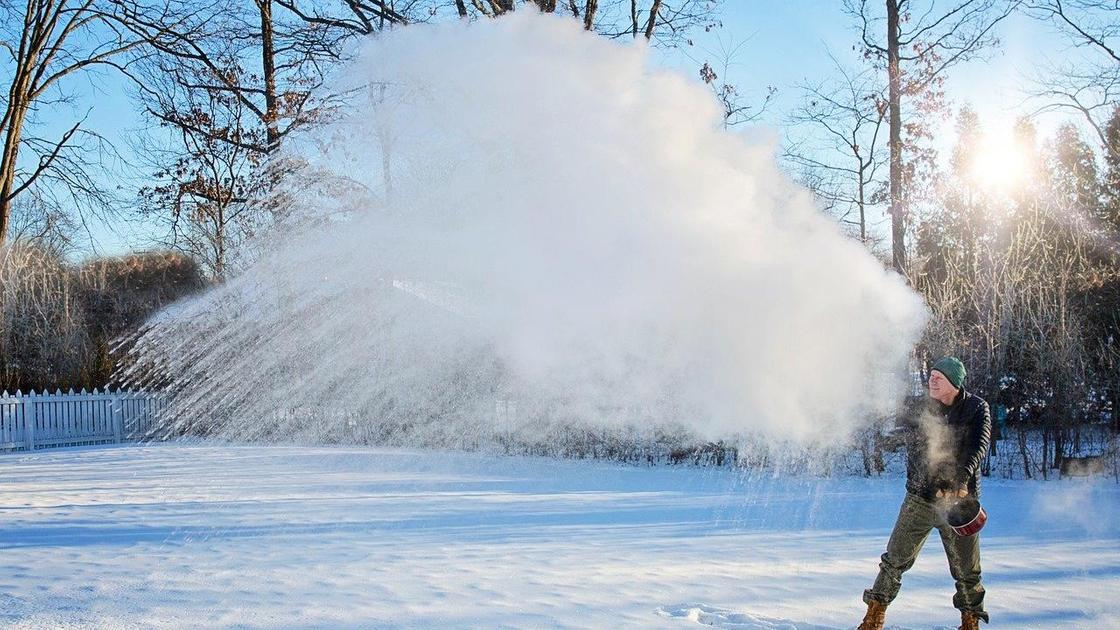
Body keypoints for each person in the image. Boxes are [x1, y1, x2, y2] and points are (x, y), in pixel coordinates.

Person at [858, 356, 992, 630]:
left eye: (938, 376)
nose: (931, 379)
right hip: (919, 499)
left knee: (967, 570)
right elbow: (917, 447)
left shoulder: (977, 408)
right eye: (930, 375)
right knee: (894, 560)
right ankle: (873, 618)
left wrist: (960, 479)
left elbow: (979, 445)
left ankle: (970, 622)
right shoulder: (919, 408)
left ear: (954, 382)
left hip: (959, 505)